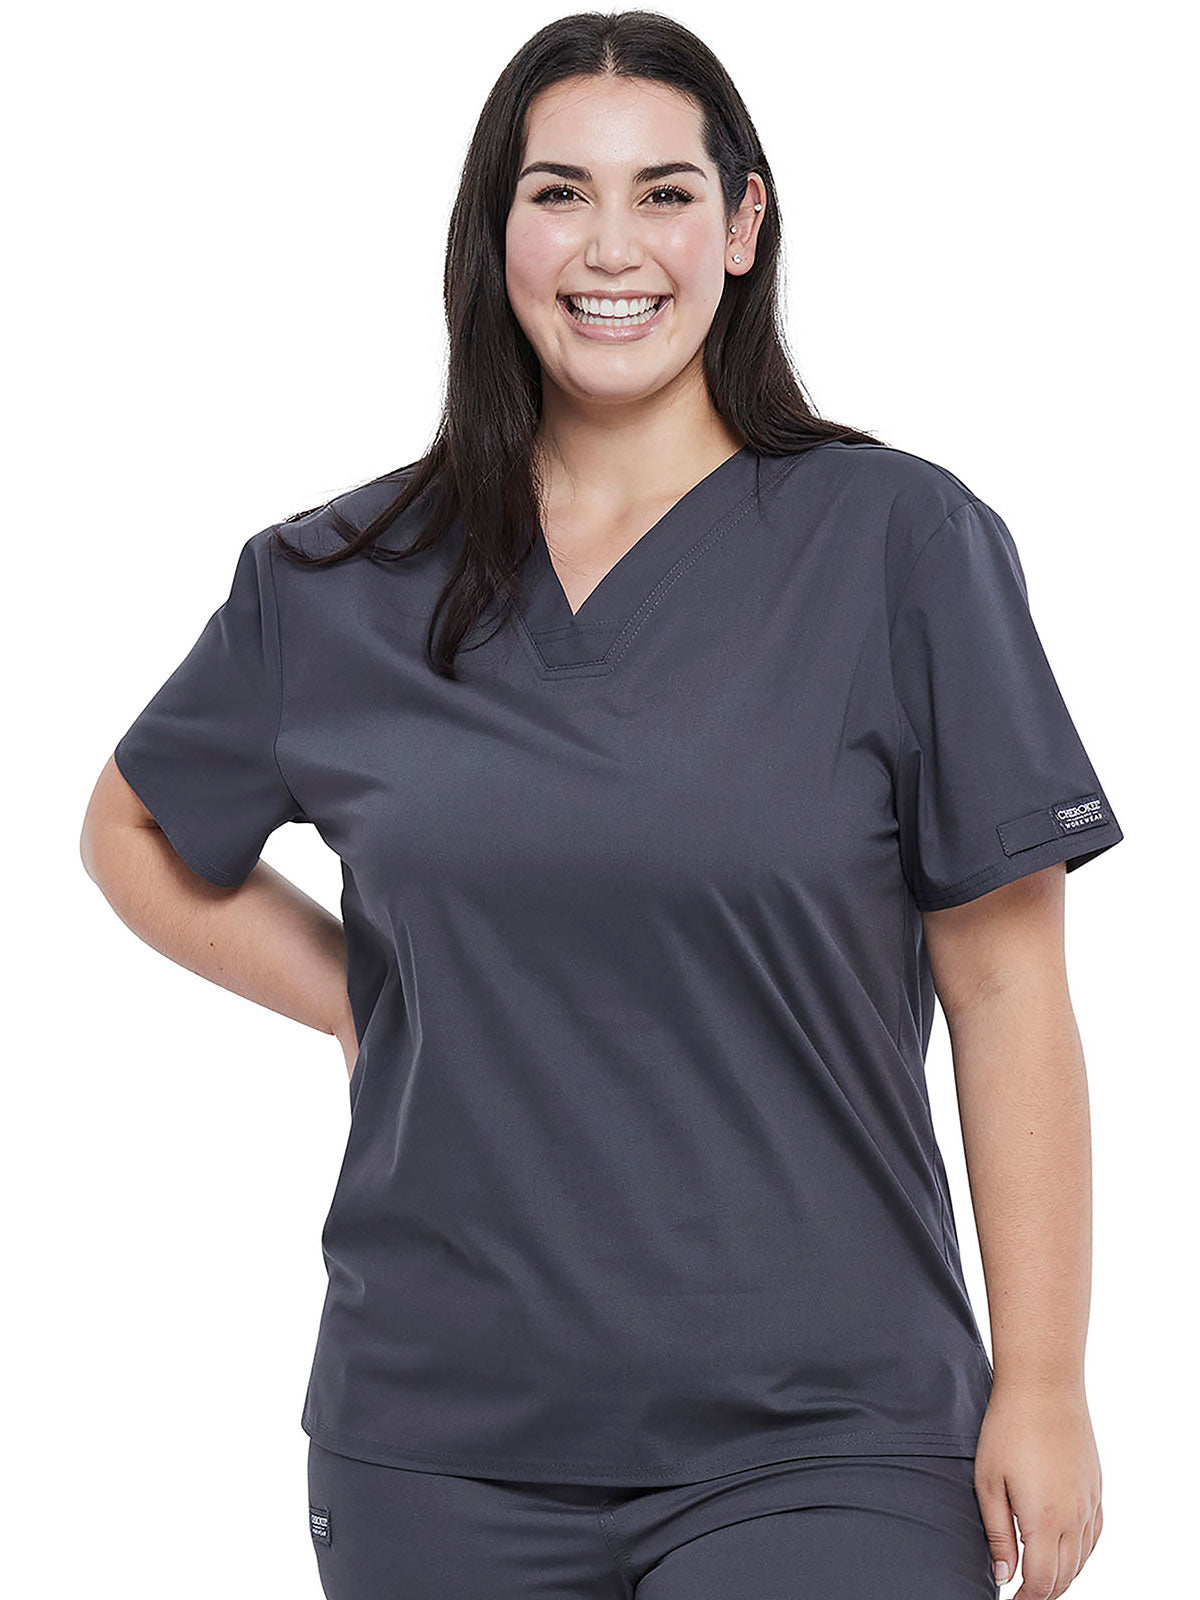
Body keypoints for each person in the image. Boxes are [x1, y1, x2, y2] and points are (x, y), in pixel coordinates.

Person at [80, 12, 1124, 1599]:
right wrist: (367, 995)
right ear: (494, 229)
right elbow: (136, 831)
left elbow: (1006, 986)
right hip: (437, 1441)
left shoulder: (902, 544)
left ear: (744, 226)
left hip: (827, 1431)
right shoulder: (335, 579)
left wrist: (1043, 1384)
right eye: (559, 193)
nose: (612, 248)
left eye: (667, 194)